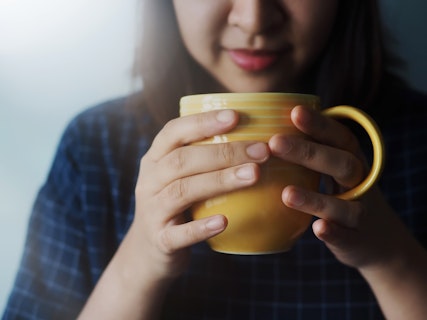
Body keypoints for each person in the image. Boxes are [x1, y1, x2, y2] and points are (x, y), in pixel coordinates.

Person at [3, 0, 427, 319]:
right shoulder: (93, 148)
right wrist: (141, 261)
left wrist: (390, 256)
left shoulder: (416, 142)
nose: (253, 19)